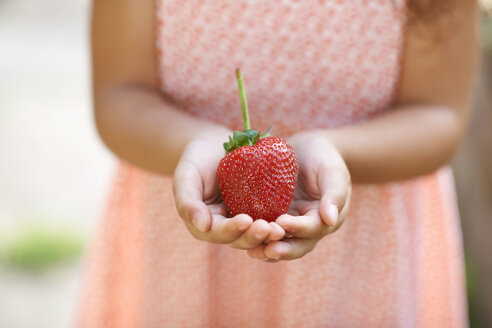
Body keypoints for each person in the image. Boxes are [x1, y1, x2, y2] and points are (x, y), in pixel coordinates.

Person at [76, 0, 478, 326]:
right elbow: (120, 94)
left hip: (365, 259)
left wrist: (333, 151)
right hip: (185, 238)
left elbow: (439, 114)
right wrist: (201, 144)